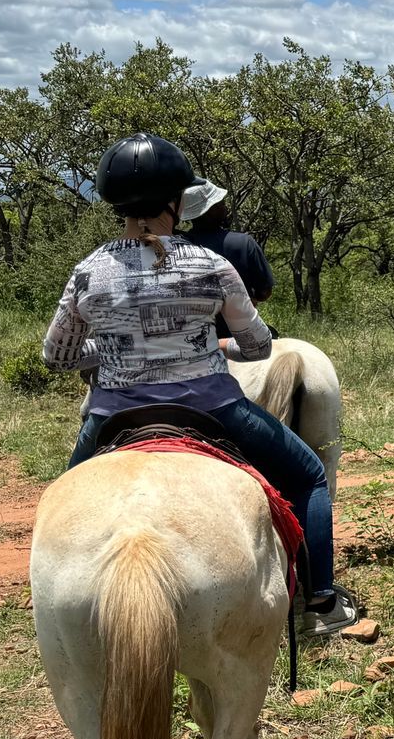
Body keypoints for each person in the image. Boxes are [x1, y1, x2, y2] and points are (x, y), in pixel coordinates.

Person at [42, 132, 359, 635]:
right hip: (212, 408)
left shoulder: (88, 271)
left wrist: (111, 351)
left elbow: (56, 356)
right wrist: (215, 348)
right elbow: (258, 348)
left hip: (112, 414)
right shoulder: (213, 264)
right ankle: (321, 600)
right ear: (178, 201)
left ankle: (50, 605)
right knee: (307, 476)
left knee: (60, 509)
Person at [180, 179, 274, 338]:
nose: (225, 207)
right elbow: (265, 291)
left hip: (193, 337)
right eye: (220, 204)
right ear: (211, 210)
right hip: (238, 336)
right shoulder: (244, 243)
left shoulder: (179, 245)